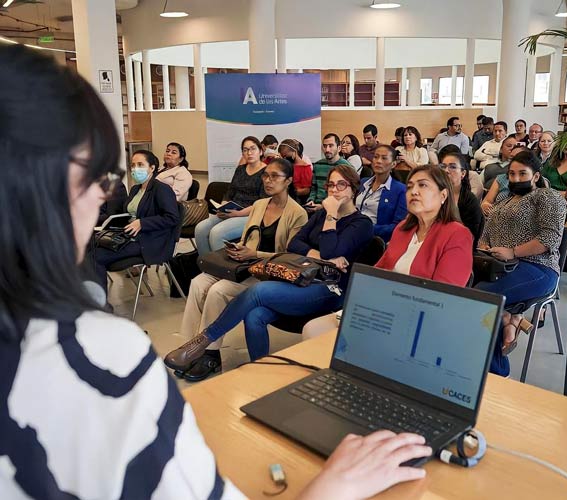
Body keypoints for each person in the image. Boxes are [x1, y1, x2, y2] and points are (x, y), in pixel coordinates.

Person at [0, 45, 432, 499]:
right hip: (276, 269)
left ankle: (202, 345)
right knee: (213, 281)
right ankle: (206, 350)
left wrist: (322, 229)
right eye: (101, 181)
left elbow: (317, 250)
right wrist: (335, 486)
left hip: (316, 286)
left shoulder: (356, 221)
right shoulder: (98, 352)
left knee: (250, 296)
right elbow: (298, 247)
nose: (99, 200)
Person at [164, 164, 374, 366]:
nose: (334, 190)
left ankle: (203, 340)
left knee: (259, 291)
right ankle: (259, 368)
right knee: (254, 315)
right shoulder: (319, 215)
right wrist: (321, 257)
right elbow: (295, 244)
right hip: (301, 277)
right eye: (331, 185)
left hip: (329, 289)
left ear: (354, 189)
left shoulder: (361, 223)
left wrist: (331, 215)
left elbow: (332, 250)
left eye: (341, 185)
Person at [303, 164, 473, 340]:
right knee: (312, 328)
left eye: (423, 185)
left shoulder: (457, 235)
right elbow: (378, 272)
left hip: (419, 320)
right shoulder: (403, 229)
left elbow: (442, 299)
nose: (414, 191)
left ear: (443, 195)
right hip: (384, 309)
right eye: (410, 186)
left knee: (325, 335)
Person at [175, 159, 308, 382]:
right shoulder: (258, 205)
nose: (268, 180)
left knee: (219, 290)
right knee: (198, 282)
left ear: (289, 181)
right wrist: (240, 249)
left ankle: (210, 353)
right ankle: (189, 347)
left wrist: (253, 254)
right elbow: (248, 239)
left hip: (270, 275)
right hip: (244, 267)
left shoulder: (298, 214)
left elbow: (290, 258)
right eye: (266, 175)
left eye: (275, 176)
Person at [476, 150, 567, 376]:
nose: (516, 179)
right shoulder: (503, 201)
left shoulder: (547, 197)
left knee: (481, 299)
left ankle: (498, 372)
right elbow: (486, 234)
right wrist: (485, 247)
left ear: (535, 176)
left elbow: (551, 238)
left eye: (522, 174)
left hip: (538, 267)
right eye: (512, 174)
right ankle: (509, 318)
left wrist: (513, 251)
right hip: (499, 266)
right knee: (461, 290)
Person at [94, 149, 180, 292]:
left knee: (96, 257)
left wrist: (142, 223)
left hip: (150, 240)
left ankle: (100, 306)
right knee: (89, 249)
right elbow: (126, 214)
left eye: (140, 165)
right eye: (133, 165)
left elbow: (172, 218)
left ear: (152, 168)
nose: (135, 169)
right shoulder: (135, 189)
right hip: (130, 236)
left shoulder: (161, 189)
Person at [195, 136, 267, 256]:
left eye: (253, 149)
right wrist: (223, 206)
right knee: (200, 229)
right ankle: (208, 265)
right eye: (245, 150)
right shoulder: (240, 169)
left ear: (260, 151)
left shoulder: (266, 172)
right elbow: (230, 192)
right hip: (232, 211)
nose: (249, 153)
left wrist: (238, 213)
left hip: (251, 214)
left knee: (217, 233)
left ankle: (224, 270)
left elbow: (262, 202)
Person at [356, 145, 407, 242]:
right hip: (353, 232)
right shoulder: (363, 182)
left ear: (393, 164)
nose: (378, 161)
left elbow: (398, 226)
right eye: (376, 157)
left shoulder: (401, 190)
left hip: (376, 239)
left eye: (384, 158)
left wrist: (369, 228)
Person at [438, 151, 484, 246]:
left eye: (452, 167)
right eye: (443, 166)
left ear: (463, 173)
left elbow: (471, 236)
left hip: (458, 246)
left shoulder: (469, 200)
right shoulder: (432, 195)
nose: (446, 170)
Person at [305, 133, 351, 210]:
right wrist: (311, 200)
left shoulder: (346, 167)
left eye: (331, 146)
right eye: (325, 146)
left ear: (339, 148)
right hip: (316, 206)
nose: (327, 150)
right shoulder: (318, 165)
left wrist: (323, 207)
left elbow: (346, 196)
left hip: (336, 208)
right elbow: (314, 188)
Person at [480, 143, 528, 216]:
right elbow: (486, 201)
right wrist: (486, 206)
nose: (513, 161)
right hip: (497, 216)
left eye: (517, 158)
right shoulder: (501, 178)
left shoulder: (534, 180)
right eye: (511, 158)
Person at [277, 138, 312, 203]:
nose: (284, 158)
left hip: (297, 199)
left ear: (294, 151)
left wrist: (293, 192)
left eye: (285, 155)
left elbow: (307, 190)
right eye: (282, 156)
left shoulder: (305, 167)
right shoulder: (284, 166)